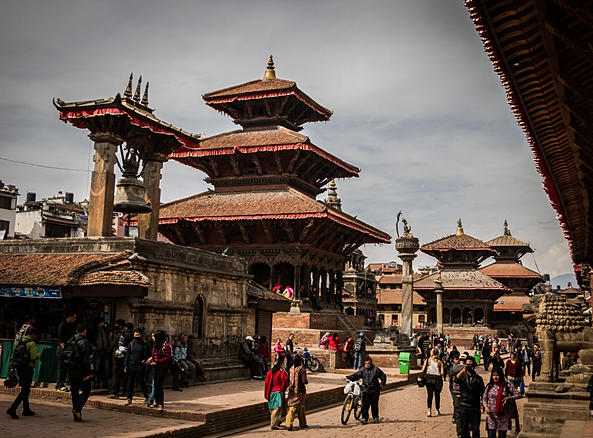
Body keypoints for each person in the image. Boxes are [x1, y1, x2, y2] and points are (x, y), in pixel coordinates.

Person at [6, 328, 40, 419]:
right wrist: (38, 355)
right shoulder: (32, 343)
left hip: (20, 368)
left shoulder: (19, 342)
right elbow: (33, 356)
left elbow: (13, 356)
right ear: (33, 334)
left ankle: (26, 409)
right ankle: (13, 407)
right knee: (25, 390)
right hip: (28, 369)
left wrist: (11, 367)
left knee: (25, 388)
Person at [345, 358, 386, 424]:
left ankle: (375, 417)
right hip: (366, 389)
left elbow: (383, 376)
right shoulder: (363, 370)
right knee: (365, 405)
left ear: (371, 363)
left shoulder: (376, 370)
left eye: (368, 363)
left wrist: (382, 384)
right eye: (366, 363)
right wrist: (348, 377)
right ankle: (364, 418)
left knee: (374, 405)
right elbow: (356, 375)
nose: (367, 365)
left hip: (374, 390)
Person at [482, 367, 521, 438]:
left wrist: (509, 398)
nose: (495, 377)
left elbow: (519, 394)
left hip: (503, 416)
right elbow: (484, 398)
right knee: (491, 435)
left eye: (497, 375)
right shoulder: (489, 386)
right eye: (493, 375)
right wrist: (486, 406)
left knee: (502, 436)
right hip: (491, 416)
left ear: (501, 376)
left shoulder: (507, 386)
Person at [456, 355, 485, 438]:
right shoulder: (463, 376)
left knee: (475, 429)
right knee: (464, 429)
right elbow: (456, 379)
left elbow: (482, 392)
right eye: (467, 365)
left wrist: (483, 404)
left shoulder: (478, 379)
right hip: (464, 406)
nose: (469, 367)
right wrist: (463, 370)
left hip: (475, 407)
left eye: (471, 365)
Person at [68, 324, 92, 422]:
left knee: (74, 391)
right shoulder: (84, 342)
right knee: (86, 390)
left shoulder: (70, 340)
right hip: (81, 369)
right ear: (84, 331)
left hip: (71, 369)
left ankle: (77, 413)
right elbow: (86, 359)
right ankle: (77, 409)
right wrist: (87, 373)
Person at [145, 330, 171, 412]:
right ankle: (156, 401)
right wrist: (151, 360)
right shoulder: (155, 346)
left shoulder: (166, 346)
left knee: (159, 385)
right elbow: (154, 355)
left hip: (162, 367)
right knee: (155, 385)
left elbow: (168, 357)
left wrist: (158, 362)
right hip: (155, 367)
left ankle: (161, 403)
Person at [124, 328, 150, 406]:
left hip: (140, 366)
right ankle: (129, 398)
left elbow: (147, 354)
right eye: (135, 335)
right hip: (131, 365)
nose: (137, 336)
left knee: (141, 382)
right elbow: (127, 356)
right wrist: (125, 365)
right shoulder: (131, 344)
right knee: (130, 383)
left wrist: (144, 360)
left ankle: (146, 396)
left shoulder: (144, 344)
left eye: (138, 335)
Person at [109, 321, 134, 399]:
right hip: (130, 358)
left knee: (117, 375)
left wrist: (110, 337)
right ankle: (126, 392)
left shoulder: (121, 335)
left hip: (121, 357)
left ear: (125, 328)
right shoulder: (134, 336)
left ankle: (114, 392)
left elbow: (113, 344)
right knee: (127, 376)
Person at [264, 358, 289, 430]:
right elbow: (285, 382)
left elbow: (267, 384)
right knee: (277, 408)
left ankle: (277, 421)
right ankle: (273, 424)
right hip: (278, 392)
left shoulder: (269, 373)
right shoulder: (282, 373)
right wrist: (283, 389)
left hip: (271, 392)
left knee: (272, 408)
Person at [286, 355, 308, 431]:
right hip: (300, 391)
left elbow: (288, 379)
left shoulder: (290, 369)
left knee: (291, 407)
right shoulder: (302, 369)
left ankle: (289, 424)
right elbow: (304, 381)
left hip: (292, 391)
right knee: (301, 407)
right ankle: (302, 423)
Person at [56, 311, 77, 391]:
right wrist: (65, 351)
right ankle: (60, 385)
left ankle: (59, 383)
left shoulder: (72, 325)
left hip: (70, 349)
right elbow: (61, 340)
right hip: (63, 349)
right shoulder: (62, 325)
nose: (75, 319)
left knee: (66, 368)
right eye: (74, 317)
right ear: (69, 316)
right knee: (62, 368)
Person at [422, 347, 445, 417]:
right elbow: (442, 372)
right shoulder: (439, 362)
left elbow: (422, 370)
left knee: (430, 395)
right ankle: (437, 410)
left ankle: (429, 410)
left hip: (429, 379)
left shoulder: (428, 360)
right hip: (437, 380)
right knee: (437, 396)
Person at [92, 318, 111, 389]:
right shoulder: (94, 331)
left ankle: (105, 383)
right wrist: (93, 346)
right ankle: (96, 383)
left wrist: (108, 347)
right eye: (101, 323)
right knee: (97, 368)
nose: (103, 324)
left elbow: (108, 338)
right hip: (97, 351)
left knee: (105, 368)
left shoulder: (105, 330)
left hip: (105, 351)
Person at [449, 352, 465, 432]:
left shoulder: (454, 368)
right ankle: (455, 417)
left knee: (457, 404)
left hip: (457, 388)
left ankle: (456, 417)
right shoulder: (455, 368)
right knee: (457, 404)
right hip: (454, 388)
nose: (458, 361)